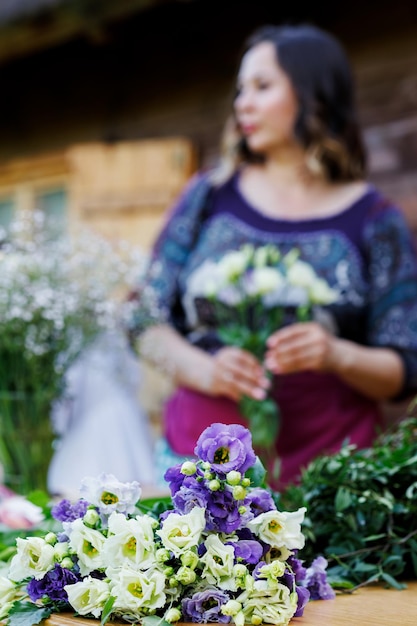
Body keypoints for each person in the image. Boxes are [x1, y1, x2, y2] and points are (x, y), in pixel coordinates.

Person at [134, 24, 417, 490]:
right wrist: (206, 370)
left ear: (316, 97)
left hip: (333, 471)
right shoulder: (209, 196)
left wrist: (337, 354)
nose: (242, 103)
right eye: (241, 89)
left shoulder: (374, 219)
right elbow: (142, 318)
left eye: (262, 87)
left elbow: (404, 368)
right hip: (200, 465)